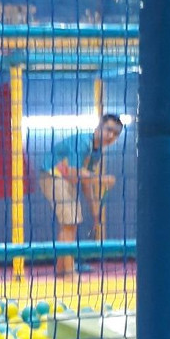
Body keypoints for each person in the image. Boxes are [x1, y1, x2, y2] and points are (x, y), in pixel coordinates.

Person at [38, 114, 125, 274]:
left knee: (71, 223)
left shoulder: (96, 153)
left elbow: (85, 181)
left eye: (116, 134)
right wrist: (101, 179)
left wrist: (95, 211)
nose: (111, 136)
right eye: (109, 130)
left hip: (64, 179)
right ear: (98, 128)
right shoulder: (84, 142)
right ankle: (69, 272)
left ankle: (61, 269)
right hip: (53, 175)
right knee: (70, 222)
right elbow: (73, 172)